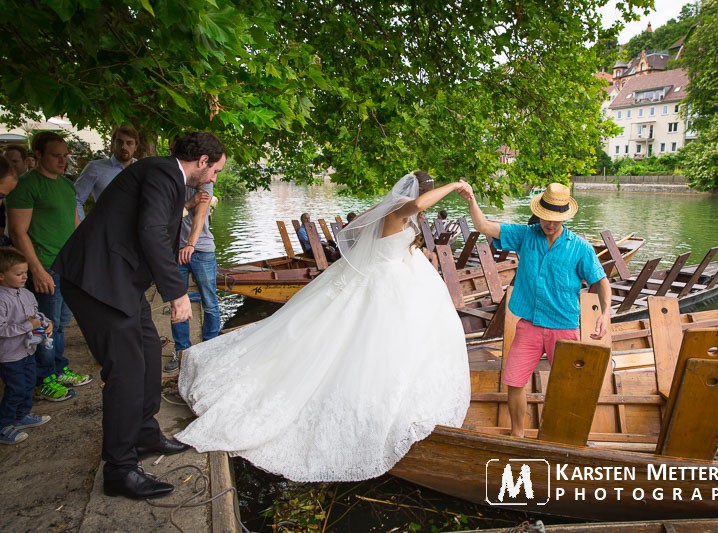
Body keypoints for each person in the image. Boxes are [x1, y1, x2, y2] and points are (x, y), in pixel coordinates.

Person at [177, 171, 471, 482]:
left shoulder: (391, 208)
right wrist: (454, 186)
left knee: (390, 341)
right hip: (386, 281)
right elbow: (417, 206)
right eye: (429, 194)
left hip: (395, 277)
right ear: (421, 193)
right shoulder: (401, 207)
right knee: (366, 339)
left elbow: (371, 235)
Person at [53, 132, 227, 500]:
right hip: (96, 281)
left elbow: (150, 229)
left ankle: (145, 433)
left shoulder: (166, 177)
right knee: (127, 370)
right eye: (215, 170)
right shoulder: (163, 174)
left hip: (120, 283)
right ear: (202, 162)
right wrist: (177, 292)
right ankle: (120, 468)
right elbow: (150, 232)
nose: (214, 178)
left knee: (149, 351)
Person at [461, 181, 611, 438]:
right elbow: (483, 226)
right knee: (514, 381)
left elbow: (601, 282)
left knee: (567, 386)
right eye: (544, 218)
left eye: (554, 220)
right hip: (529, 324)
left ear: (564, 217)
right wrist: (471, 199)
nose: (548, 224)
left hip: (564, 326)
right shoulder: (525, 235)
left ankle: (559, 435)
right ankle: (518, 434)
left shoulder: (581, 248)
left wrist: (606, 314)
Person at [5, 132, 91, 402]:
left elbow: (76, 225)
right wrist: (37, 270)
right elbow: (18, 232)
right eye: (56, 155)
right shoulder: (27, 185)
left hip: (68, 266)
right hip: (45, 266)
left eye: (65, 156)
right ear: (38, 155)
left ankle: (58, 368)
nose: (63, 160)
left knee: (62, 324)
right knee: (44, 325)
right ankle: (44, 380)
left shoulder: (66, 186)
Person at [164, 181, 220, 374]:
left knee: (209, 301)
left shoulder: (205, 181)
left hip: (202, 250)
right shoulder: (170, 178)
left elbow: (200, 216)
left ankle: (210, 348)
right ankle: (182, 352)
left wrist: (191, 245)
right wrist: (189, 202)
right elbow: (165, 214)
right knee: (176, 303)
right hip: (175, 250)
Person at [0, 246, 53, 445]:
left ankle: (21, 416)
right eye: (18, 274)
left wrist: (46, 322)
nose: (24, 277)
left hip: (28, 350)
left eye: (26, 273)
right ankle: (3, 425)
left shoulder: (26, 294)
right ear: (1, 277)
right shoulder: (1, 299)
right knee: (15, 388)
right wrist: (27, 326)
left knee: (29, 383)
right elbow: (2, 329)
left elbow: (36, 315)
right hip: (9, 355)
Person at [74, 125, 139, 220]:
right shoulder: (95, 168)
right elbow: (76, 199)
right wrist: (81, 225)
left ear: (136, 146)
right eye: (119, 142)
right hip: (105, 229)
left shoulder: (141, 168)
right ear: (113, 143)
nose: (124, 147)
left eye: (129, 143)